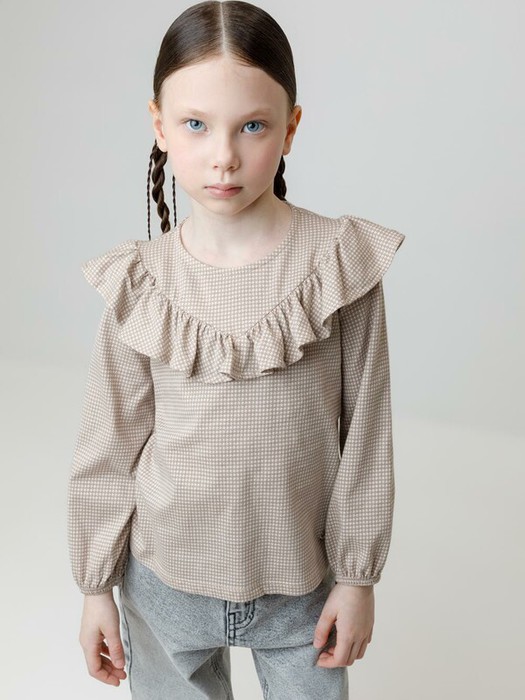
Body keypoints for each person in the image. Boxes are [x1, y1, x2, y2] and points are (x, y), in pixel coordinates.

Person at [67, 1, 406, 698]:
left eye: (252, 126)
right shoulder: (140, 282)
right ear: (159, 125)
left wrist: (357, 577)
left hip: (302, 590)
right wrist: (96, 587)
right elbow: (108, 445)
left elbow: (366, 435)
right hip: (163, 587)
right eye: (195, 124)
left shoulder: (339, 266)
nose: (223, 155)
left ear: (290, 128)